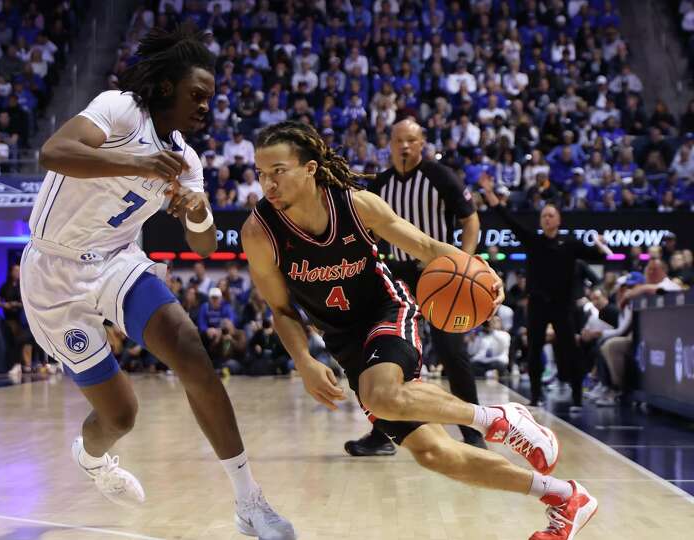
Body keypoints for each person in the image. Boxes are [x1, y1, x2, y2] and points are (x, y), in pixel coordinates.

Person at [243, 121, 596, 540]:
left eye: (278, 171)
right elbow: (281, 309)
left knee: (381, 395)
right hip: (345, 344)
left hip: (387, 310)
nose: (268, 183)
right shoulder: (259, 232)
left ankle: (497, 418)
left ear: (310, 169)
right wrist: (303, 360)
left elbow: (428, 249)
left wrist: (479, 269)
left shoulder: (357, 205)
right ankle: (564, 498)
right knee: (433, 453)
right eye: (261, 174)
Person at [20, 24, 294, 538]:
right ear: (166, 86)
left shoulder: (187, 159)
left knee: (190, 349)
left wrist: (195, 211)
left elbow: (207, 246)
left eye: (211, 98)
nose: (206, 106)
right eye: (198, 94)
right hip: (54, 274)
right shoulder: (120, 108)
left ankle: (249, 502)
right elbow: (54, 153)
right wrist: (137, 161)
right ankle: (93, 457)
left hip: (116, 261)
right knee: (121, 416)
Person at [345, 118, 487, 456]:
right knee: (388, 354)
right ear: (390, 144)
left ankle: (473, 430)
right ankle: (384, 434)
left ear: (422, 142)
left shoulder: (439, 176)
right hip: (396, 275)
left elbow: (470, 218)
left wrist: (463, 264)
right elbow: (372, 231)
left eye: (411, 140)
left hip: (438, 273)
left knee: (452, 351)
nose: (404, 146)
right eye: (398, 140)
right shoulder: (380, 183)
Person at [478, 174, 611, 410]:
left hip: (563, 306)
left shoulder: (570, 244)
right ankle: (536, 396)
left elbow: (600, 255)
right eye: (543, 216)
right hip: (538, 304)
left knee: (571, 349)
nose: (547, 219)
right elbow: (509, 219)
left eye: (551, 215)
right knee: (534, 348)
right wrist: (490, 195)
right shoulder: (534, 241)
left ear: (558, 220)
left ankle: (578, 396)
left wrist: (601, 243)